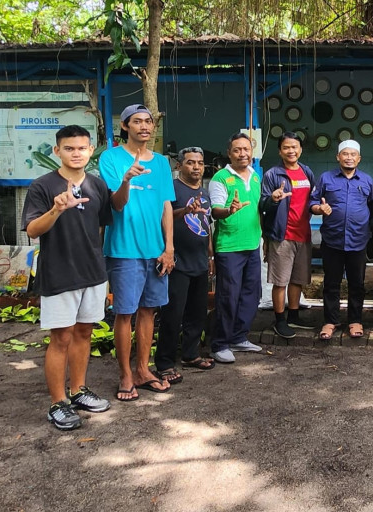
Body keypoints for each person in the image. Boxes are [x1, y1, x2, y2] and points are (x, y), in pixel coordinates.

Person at [23, 125, 112, 429]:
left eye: (82, 148)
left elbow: (99, 227)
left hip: (93, 272)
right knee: (60, 337)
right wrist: (57, 209)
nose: (76, 153)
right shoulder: (42, 186)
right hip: (59, 273)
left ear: (91, 151)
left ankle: (78, 391)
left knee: (84, 333)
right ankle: (58, 403)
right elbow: (33, 230)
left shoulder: (97, 186)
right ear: (57, 151)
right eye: (69, 148)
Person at [100, 104, 175, 399]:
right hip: (124, 249)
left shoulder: (161, 163)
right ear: (125, 126)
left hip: (155, 250)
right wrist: (127, 179)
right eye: (137, 121)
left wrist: (168, 247)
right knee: (124, 313)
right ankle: (126, 375)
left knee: (148, 311)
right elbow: (116, 204)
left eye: (148, 121)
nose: (144, 126)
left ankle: (143, 370)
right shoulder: (111, 158)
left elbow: (166, 205)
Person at [154, 147, 216, 381]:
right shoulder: (171, 189)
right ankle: (165, 363)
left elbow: (205, 224)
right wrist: (185, 210)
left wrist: (210, 255)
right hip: (176, 262)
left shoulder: (204, 191)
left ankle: (191, 354)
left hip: (199, 261)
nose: (197, 167)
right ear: (179, 166)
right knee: (173, 314)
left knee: (197, 312)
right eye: (190, 163)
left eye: (200, 163)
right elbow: (165, 218)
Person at [310, 140, 373, 339]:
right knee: (331, 283)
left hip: (358, 240)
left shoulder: (366, 180)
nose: (349, 158)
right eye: (345, 154)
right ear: (338, 157)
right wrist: (319, 209)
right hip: (332, 240)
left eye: (353, 154)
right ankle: (330, 321)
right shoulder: (326, 178)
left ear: (359, 158)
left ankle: (355, 321)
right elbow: (312, 202)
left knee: (357, 284)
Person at [208, 133, 263, 363]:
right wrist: (229, 210)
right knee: (228, 296)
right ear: (229, 153)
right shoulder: (220, 178)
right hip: (229, 246)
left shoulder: (255, 175)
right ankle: (220, 343)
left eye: (246, 149)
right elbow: (214, 211)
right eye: (237, 150)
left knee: (251, 294)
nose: (243, 153)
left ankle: (239, 337)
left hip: (252, 243)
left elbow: (258, 210)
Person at [259, 132, 316, 339]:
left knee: (297, 278)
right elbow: (262, 204)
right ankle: (279, 319)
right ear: (280, 151)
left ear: (300, 149)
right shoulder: (273, 175)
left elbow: (313, 199)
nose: (291, 151)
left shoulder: (306, 172)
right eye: (286, 147)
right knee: (280, 280)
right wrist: (273, 198)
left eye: (294, 147)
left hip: (303, 233)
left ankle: (293, 315)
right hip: (282, 234)